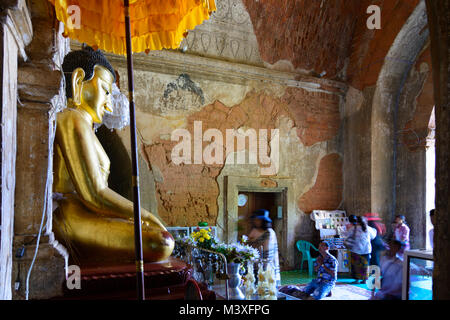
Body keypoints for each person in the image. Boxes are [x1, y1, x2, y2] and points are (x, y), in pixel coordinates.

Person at [52, 46, 174, 265]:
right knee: (160, 242)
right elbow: (95, 193)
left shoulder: (86, 127)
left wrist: (138, 217)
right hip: (70, 219)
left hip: (89, 216)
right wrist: (144, 215)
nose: (109, 105)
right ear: (79, 80)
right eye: (106, 91)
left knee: (157, 237)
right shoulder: (71, 118)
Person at [247, 209, 281, 286]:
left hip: (266, 262)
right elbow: (249, 243)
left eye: (258, 220)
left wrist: (252, 242)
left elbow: (266, 249)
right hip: (255, 262)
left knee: (266, 284)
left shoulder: (269, 232)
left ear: (263, 221)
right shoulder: (254, 230)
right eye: (255, 219)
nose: (256, 221)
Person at [344, 216, 376, 283]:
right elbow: (373, 236)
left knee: (356, 265)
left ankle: (357, 279)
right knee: (365, 265)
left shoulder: (353, 228)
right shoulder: (368, 228)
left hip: (356, 249)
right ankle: (364, 279)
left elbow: (347, 235)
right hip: (366, 249)